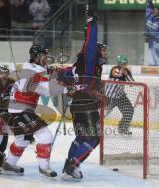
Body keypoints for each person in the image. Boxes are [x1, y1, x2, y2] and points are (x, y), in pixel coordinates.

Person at [2, 44, 81, 178]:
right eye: (44, 56)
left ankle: (9, 163)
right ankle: (44, 167)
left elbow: (49, 76)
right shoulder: (34, 71)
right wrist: (68, 89)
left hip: (18, 110)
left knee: (23, 139)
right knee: (45, 135)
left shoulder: (33, 67)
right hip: (20, 110)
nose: (46, 58)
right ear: (36, 56)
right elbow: (48, 89)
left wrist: (69, 70)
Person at [62, 14, 107, 180]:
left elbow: (66, 78)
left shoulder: (77, 66)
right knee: (95, 138)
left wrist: (70, 89)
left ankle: (69, 164)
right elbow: (90, 41)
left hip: (77, 104)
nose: (105, 53)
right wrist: (91, 23)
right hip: (86, 104)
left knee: (81, 137)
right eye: (102, 49)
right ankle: (73, 164)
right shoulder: (89, 58)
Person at [105, 55, 134, 135]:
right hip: (109, 96)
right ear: (119, 63)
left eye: (125, 63)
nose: (124, 65)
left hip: (120, 96)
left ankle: (123, 128)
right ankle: (93, 128)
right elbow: (117, 74)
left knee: (129, 110)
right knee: (103, 113)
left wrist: (126, 74)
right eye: (122, 63)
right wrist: (123, 72)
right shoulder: (114, 69)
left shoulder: (127, 71)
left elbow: (131, 83)